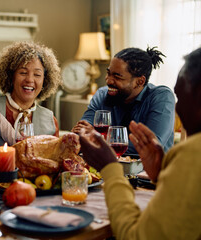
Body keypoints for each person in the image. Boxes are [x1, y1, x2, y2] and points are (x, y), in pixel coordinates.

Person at [78, 47, 201, 239]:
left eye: (181, 95)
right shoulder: (104, 94)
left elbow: (135, 236)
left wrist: (109, 165)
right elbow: (83, 134)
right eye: (109, 74)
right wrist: (160, 175)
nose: (179, 108)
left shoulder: (192, 154)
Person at [72, 47, 175, 154]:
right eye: (108, 73)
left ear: (140, 81)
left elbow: (152, 146)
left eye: (117, 77)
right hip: (108, 167)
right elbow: (82, 131)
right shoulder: (102, 94)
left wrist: (98, 138)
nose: (108, 80)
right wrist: (88, 134)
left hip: (152, 169)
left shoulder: (161, 97)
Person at [0, 41, 62, 146]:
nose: (30, 80)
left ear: (45, 80)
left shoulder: (51, 121)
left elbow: (54, 157)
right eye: (23, 73)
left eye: (37, 74)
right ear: (11, 76)